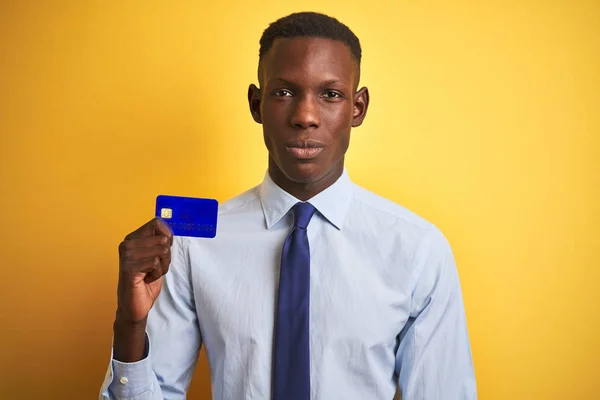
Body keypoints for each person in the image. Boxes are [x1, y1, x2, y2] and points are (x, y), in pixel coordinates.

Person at [99, 11, 477, 400]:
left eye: (330, 94)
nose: (305, 117)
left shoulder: (417, 250)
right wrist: (130, 325)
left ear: (358, 107)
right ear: (256, 104)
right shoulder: (195, 243)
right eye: (283, 93)